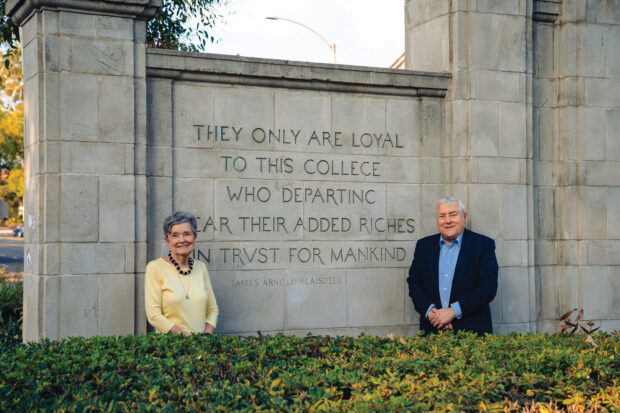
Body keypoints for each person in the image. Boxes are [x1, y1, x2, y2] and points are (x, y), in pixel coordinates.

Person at [407, 196, 498, 335]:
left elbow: (487, 288)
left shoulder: (483, 245)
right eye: (442, 216)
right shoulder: (424, 246)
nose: (447, 220)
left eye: (453, 215)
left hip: (472, 333)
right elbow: (414, 283)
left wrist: (453, 312)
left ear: (464, 217)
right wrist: (431, 313)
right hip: (432, 330)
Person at [145, 211, 219, 335]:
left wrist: (207, 337)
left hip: (201, 349)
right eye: (175, 235)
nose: (182, 240)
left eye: (187, 234)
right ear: (167, 240)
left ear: (195, 237)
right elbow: (154, 315)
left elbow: (212, 309)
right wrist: (186, 339)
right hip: (171, 348)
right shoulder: (155, 268)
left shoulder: (201, 267)